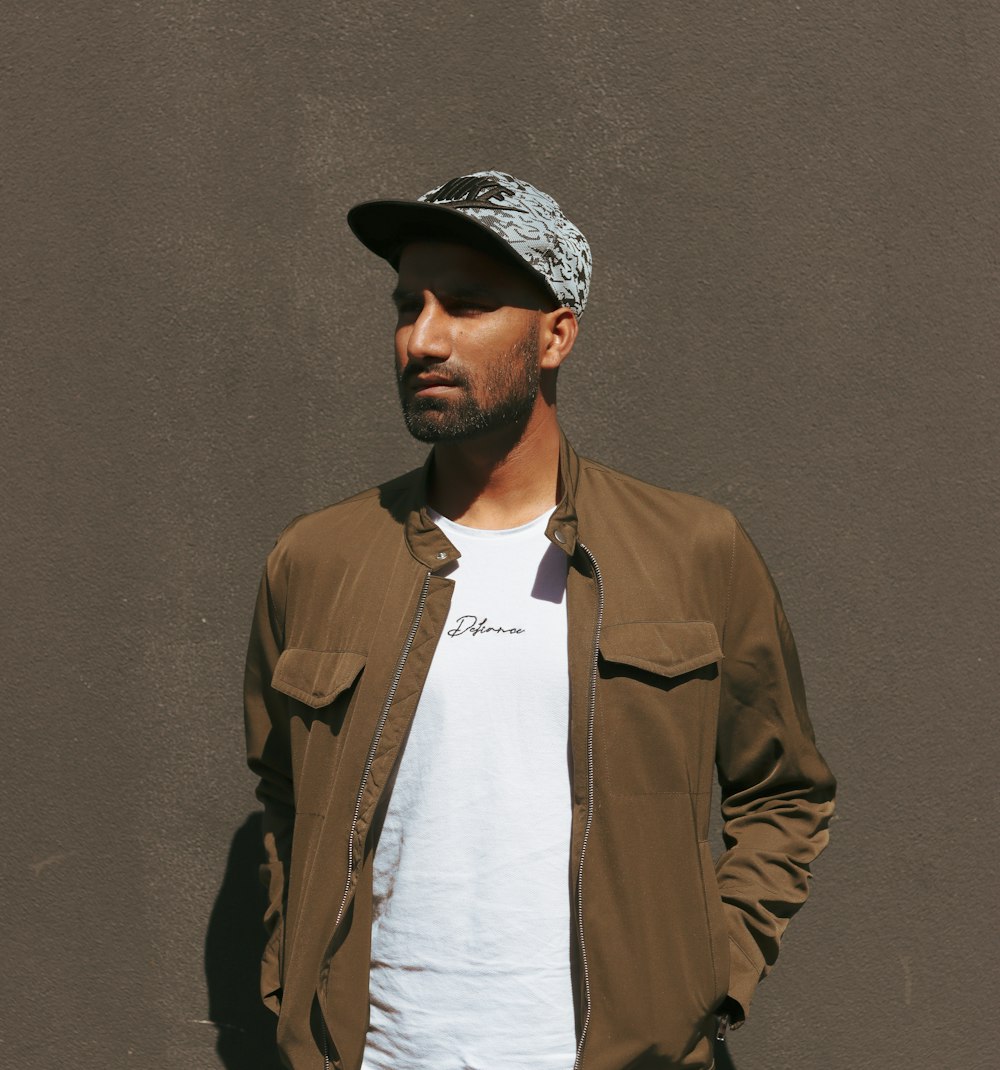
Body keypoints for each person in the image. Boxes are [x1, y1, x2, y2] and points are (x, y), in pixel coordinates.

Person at [243, 170, 836, 1070]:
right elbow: (285, 797)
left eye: (469, 306)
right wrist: (293, 986)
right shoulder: (316, 558)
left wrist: (710, 973)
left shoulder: (692, 551)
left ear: (556, 334)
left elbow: (783, 792)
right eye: (409, 306)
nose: (423, 339)